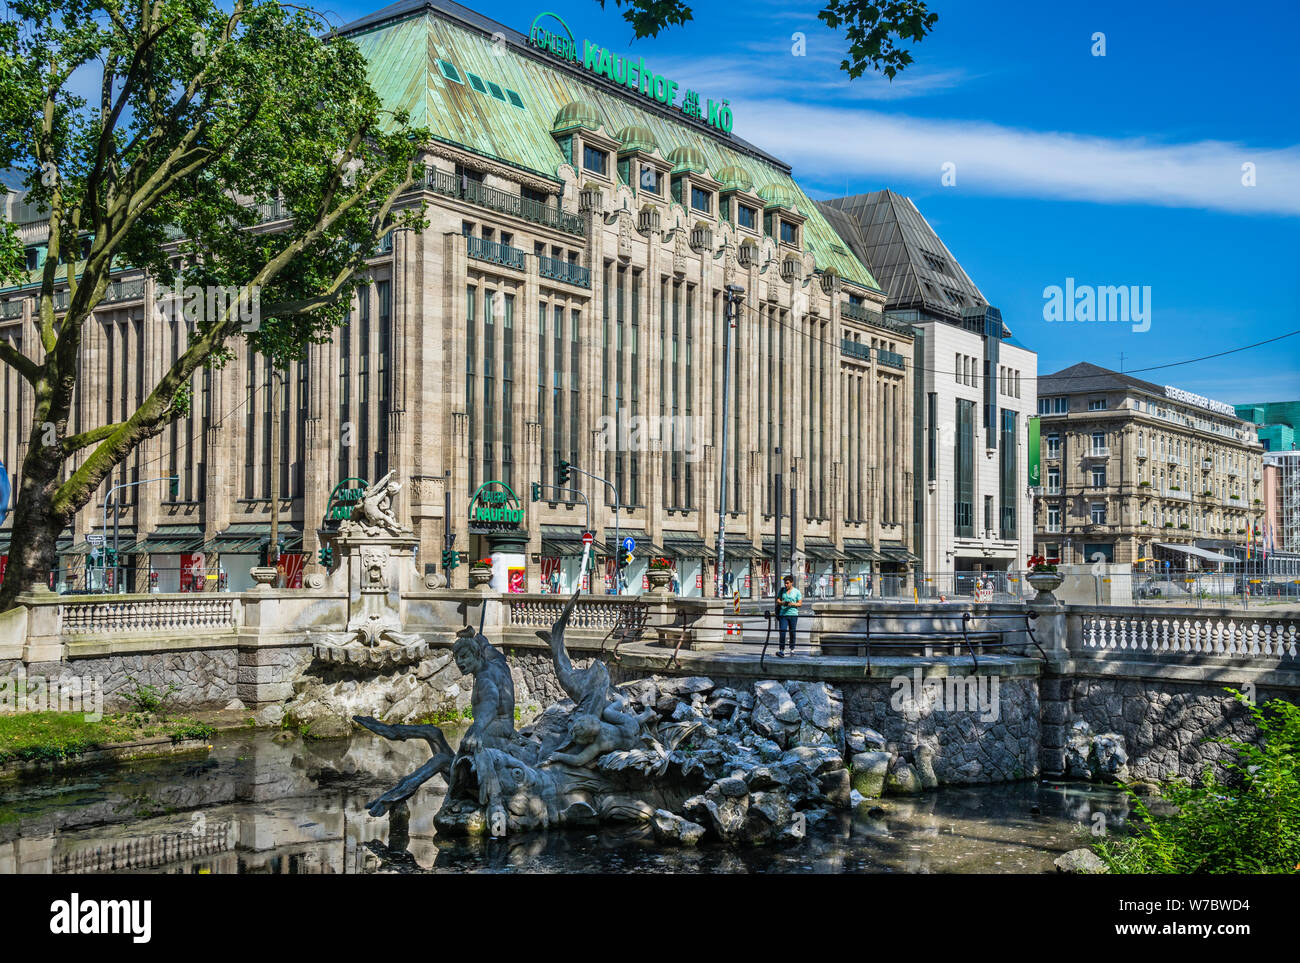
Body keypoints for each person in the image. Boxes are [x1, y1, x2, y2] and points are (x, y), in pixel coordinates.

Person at [775, 574, 802, 658]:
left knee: (792, 632)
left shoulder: (797, 592)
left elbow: (800, 603)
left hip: (793, 614)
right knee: (782, 631)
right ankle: (781, 650)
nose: (786, 585)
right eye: (785, 583)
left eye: (787, 583)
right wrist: (782, 603)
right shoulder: (782, 590)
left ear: (791, 583)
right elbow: (778, 600)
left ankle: (792, 648)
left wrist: (792, 604)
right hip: (783, 614)